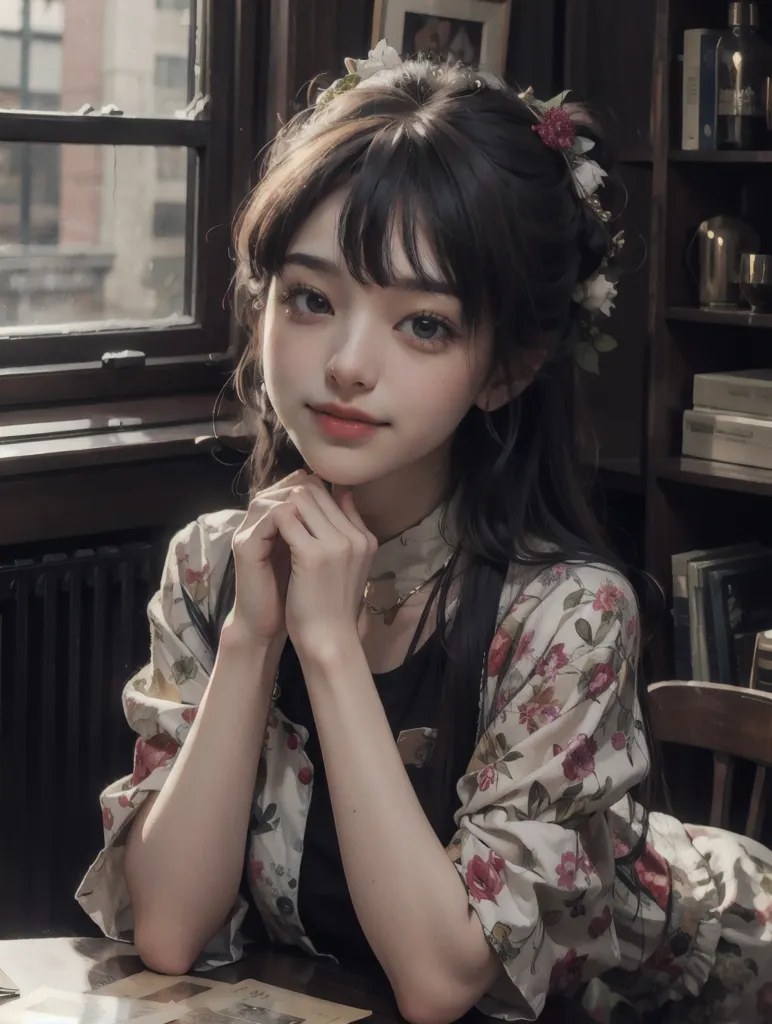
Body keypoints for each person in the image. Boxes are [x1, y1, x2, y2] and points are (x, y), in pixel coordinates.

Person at [77, 44, 772, 1024]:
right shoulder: (212, 564)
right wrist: (250, 638)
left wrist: (326, 644)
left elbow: (444, 978)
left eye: (424, 325)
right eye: (311, 299)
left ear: (507, 368)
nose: (348, 364)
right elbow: (168, 932)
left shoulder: (567, 613)